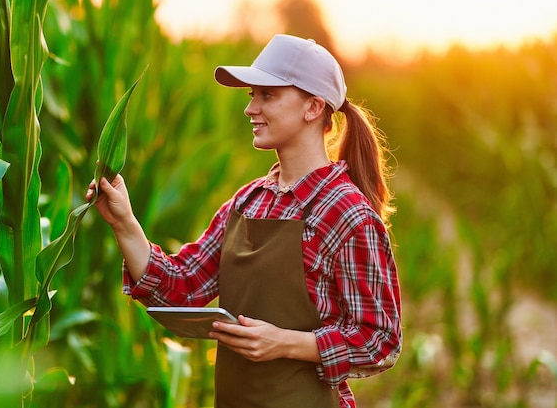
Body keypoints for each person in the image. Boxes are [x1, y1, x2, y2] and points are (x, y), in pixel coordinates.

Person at [86, 34, 402, 408]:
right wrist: (124, 223)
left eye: (267, 95)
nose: (251, 108)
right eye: (252, 95)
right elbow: (182, 287)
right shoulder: (248, 201)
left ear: (313, 107)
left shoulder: (347, 214)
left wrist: (285, 342)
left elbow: (380, 341)